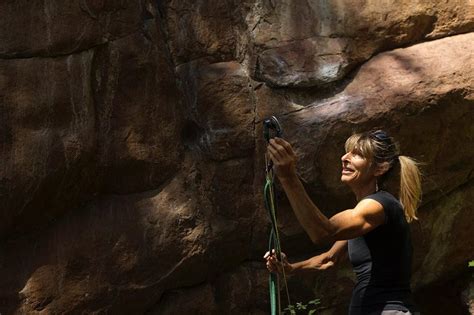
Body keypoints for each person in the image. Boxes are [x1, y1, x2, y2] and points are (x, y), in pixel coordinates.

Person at [263, 130, 422, 315]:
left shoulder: (378, 206)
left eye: (357, 154)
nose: (344, 158)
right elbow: (328, 260)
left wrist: (288, 176)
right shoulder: (363, 214)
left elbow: (323, 232)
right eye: (347, 152)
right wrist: (289, 268)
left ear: (380, 168)